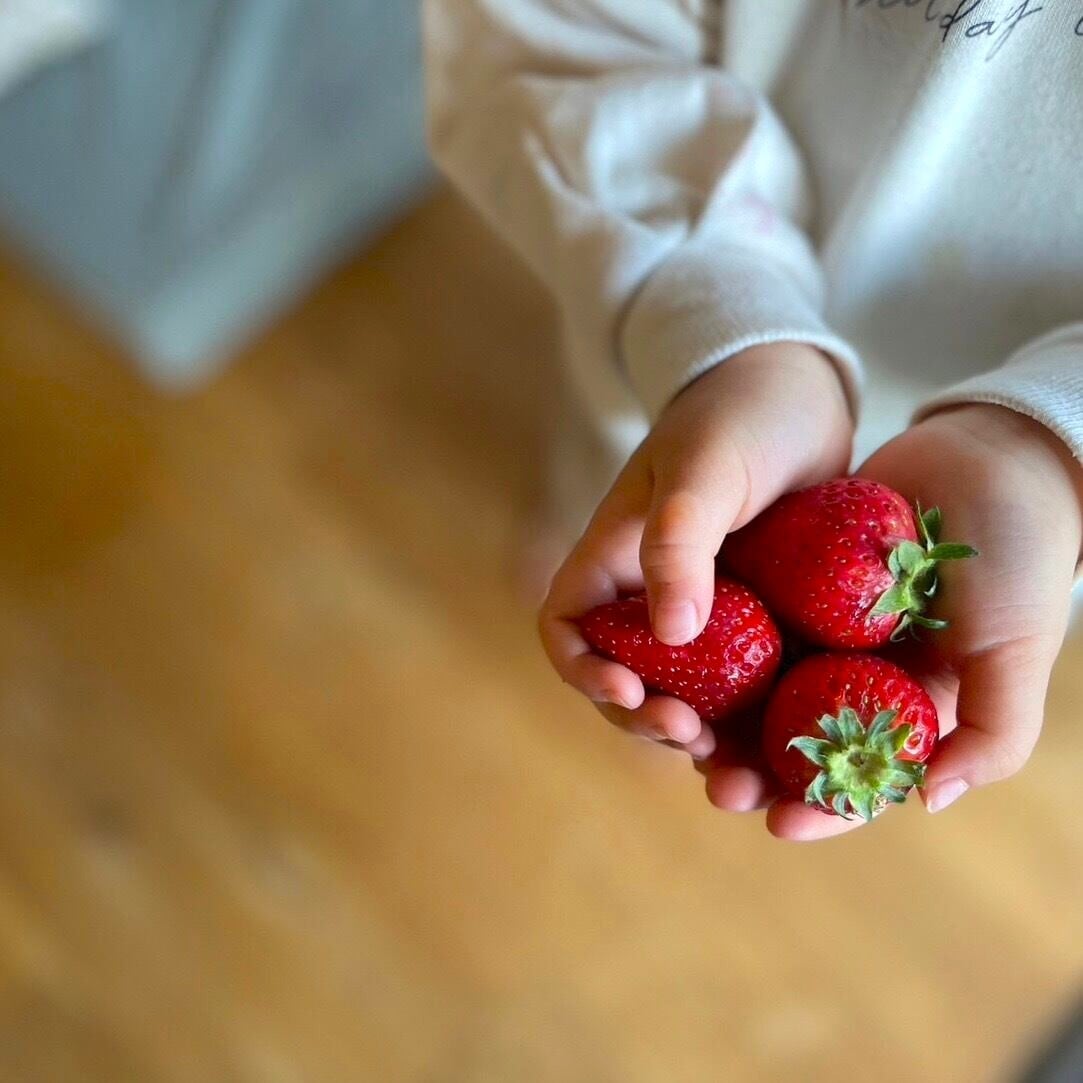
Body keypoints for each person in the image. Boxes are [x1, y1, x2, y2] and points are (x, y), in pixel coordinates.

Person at [423, 0, 1083, 840]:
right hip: (697, 311)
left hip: (1002, 460)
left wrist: (1046, 452)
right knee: (652, 517)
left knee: (666, 536)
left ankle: (650, 618)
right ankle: (615, 571)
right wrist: (731, 333)